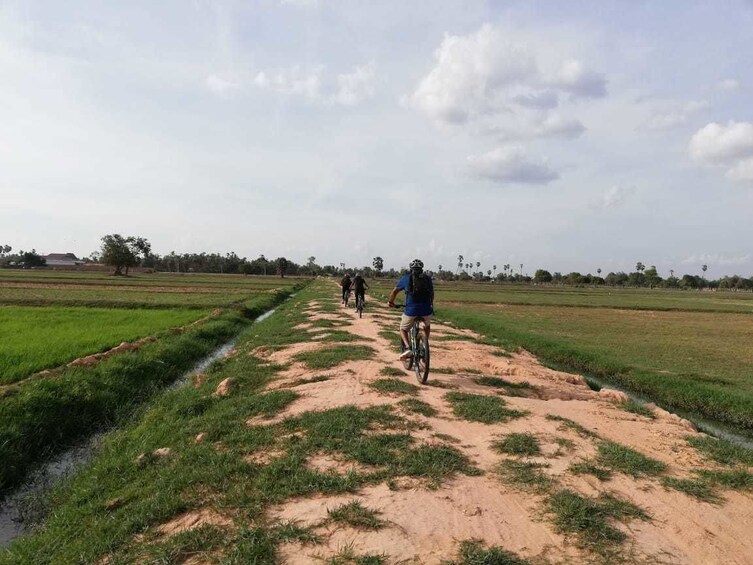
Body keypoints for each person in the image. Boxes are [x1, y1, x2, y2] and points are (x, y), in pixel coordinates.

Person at [387, 259, 434, 360]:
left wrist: (391, 302)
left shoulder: (406, 278)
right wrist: (431, 305)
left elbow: (394, 292)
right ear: (422, 269)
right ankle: (425, 344)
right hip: (426, 310)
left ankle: (408, 348)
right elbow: (432, 294)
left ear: (411, 269)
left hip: (411, 311)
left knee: (403, 329)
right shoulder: (427, 279)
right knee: (427, 325)